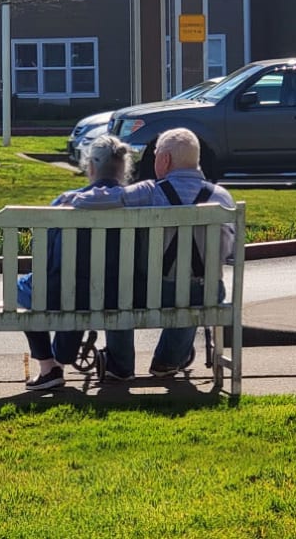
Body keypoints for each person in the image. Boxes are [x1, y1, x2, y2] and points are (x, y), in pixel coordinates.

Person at [62, 127, 236, 377]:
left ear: (164, 159)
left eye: (155, 156)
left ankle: (120, 365)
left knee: (121, 291)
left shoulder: (150, 191)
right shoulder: (222, 198)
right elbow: (230, 250)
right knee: (195, 293)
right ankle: (168, 360)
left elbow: (108, 198)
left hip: (153, 293)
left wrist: (73, 199)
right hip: (205, 293)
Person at [18, 135, 135, 390]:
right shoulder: (138, 204)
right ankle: (112, 364)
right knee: (89, 287)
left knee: (28, 287)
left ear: (90, 166)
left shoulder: (65, 202)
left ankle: (50, 366)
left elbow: (46, 262)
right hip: (123, 295)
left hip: (70, 294)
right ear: (124, 168)